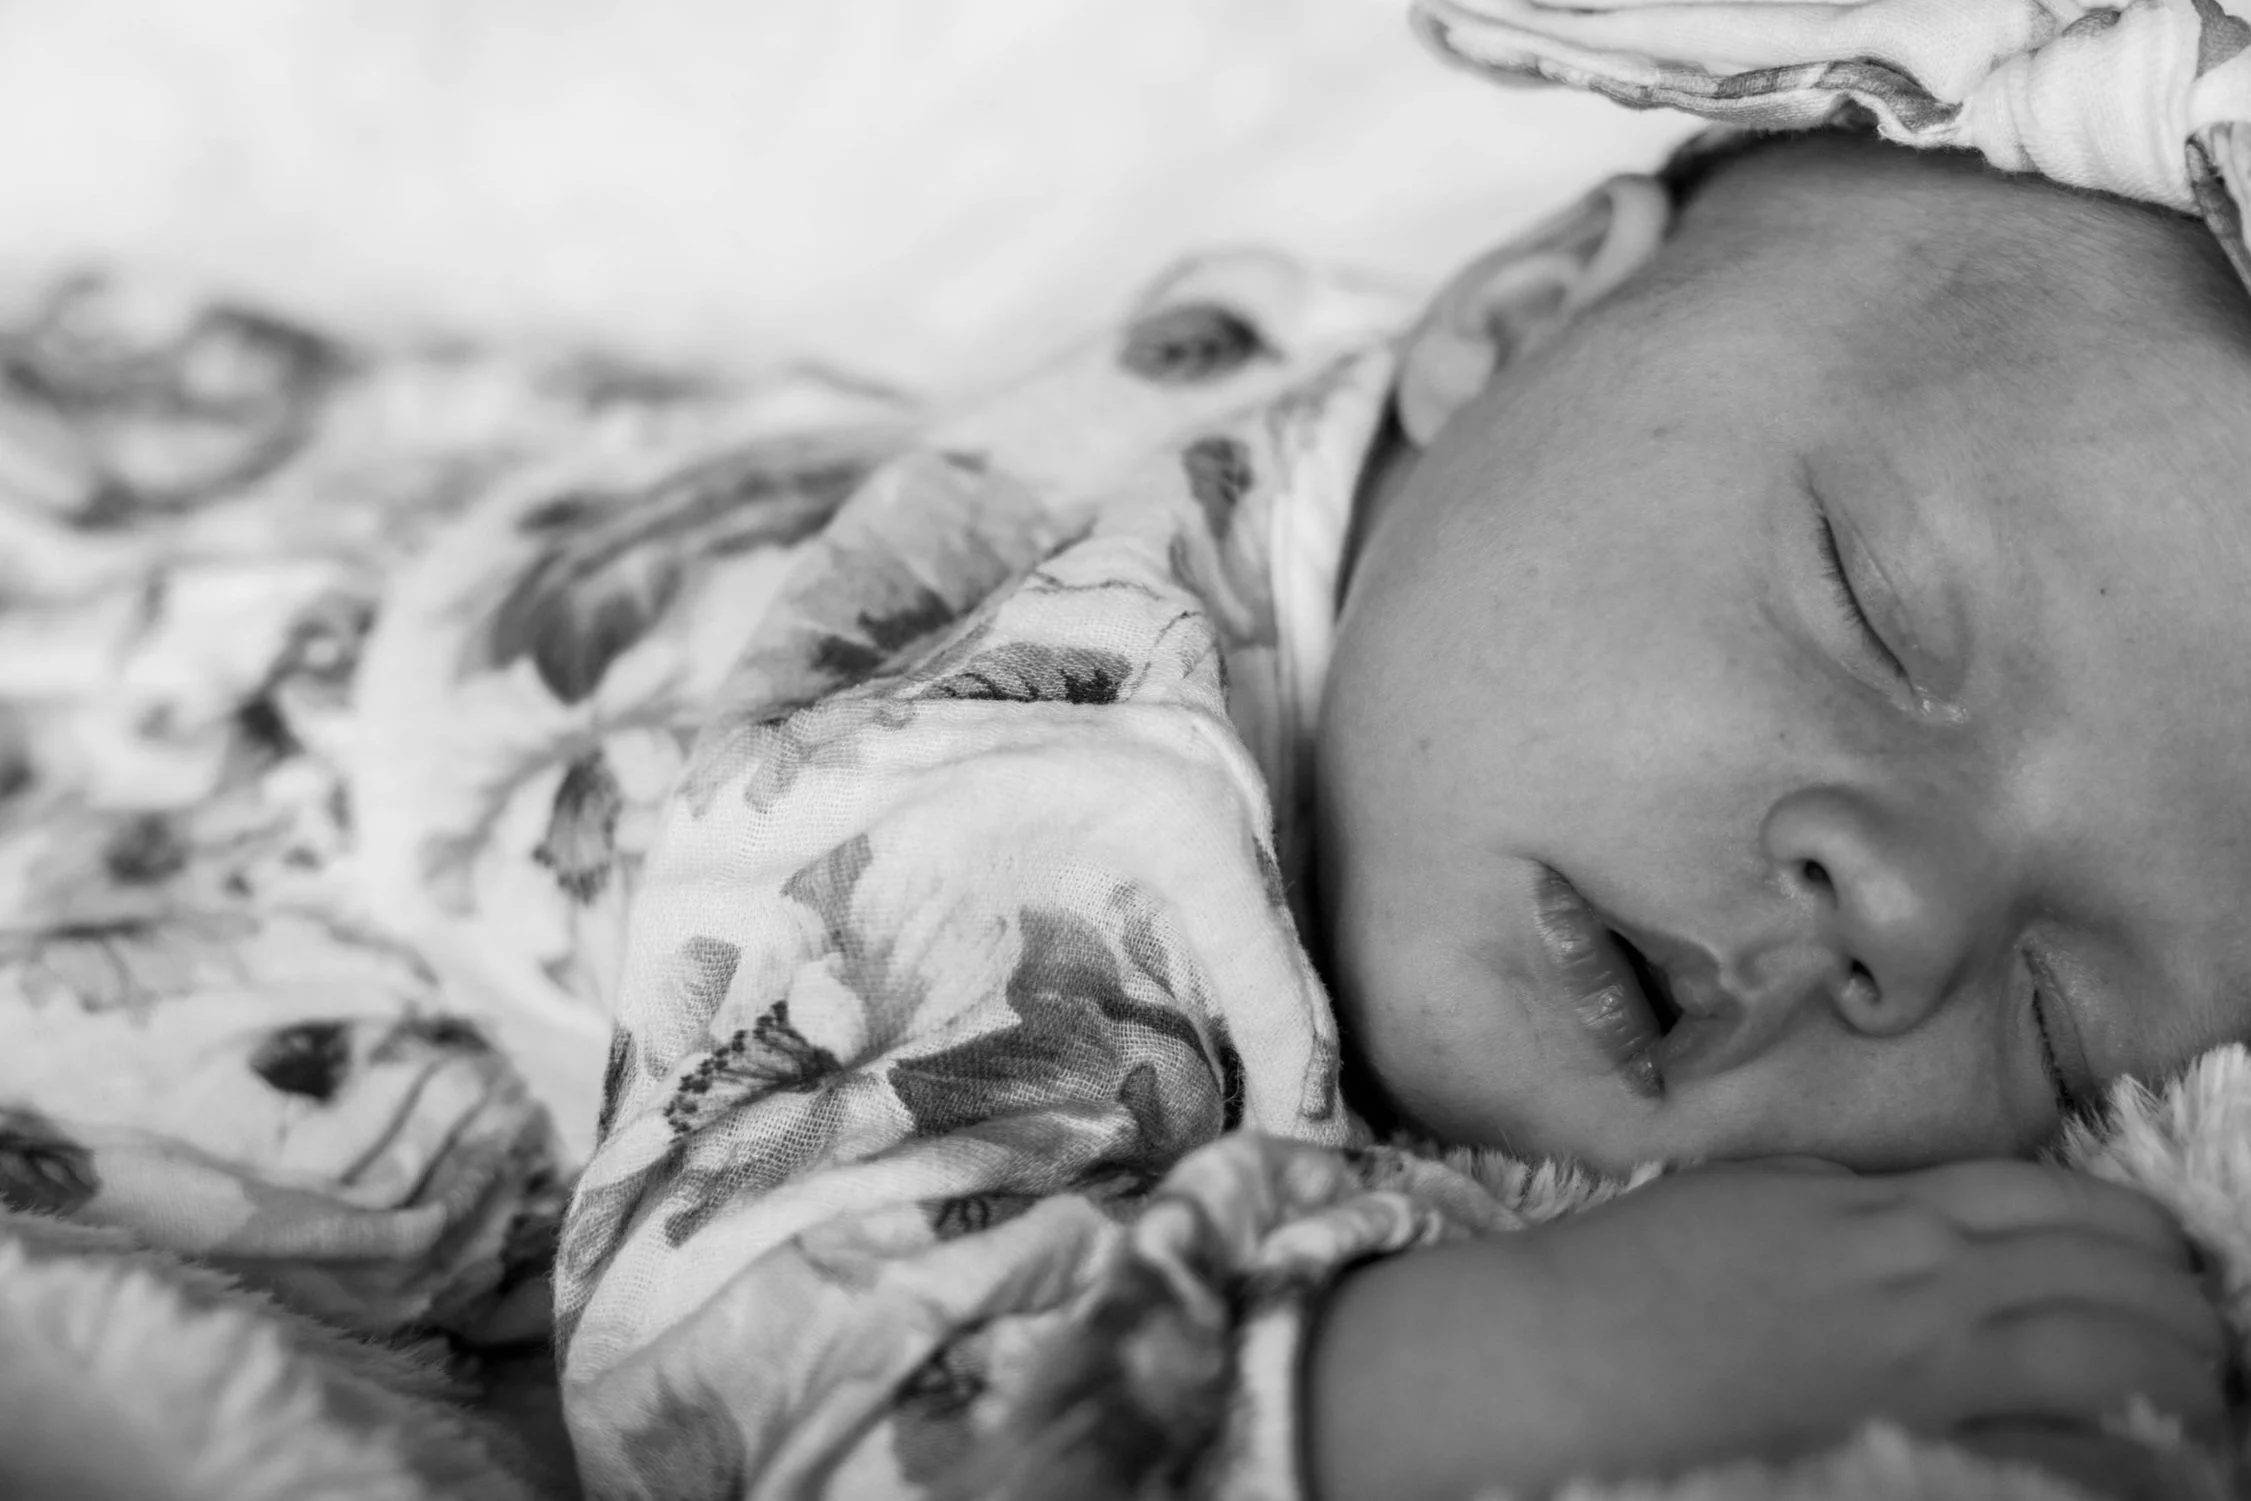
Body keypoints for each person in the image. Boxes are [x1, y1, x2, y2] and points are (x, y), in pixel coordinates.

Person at [553, 130, 2249, 1501]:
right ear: (1516, 320)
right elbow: (744, 1402)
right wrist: (1538, 1362)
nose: (1896, 901)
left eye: (2056, 1015)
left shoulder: (1485, 600)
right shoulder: (1059, 776)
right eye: (1868, 614)